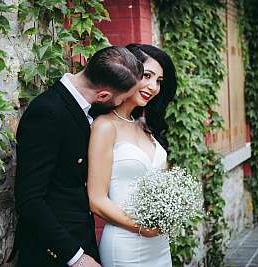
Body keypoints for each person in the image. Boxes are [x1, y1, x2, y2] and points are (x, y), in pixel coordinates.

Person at [14, 46, 144, 267]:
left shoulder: (84, 105)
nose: (121, 104)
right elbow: (29, 199)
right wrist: (76, 257)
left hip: (81, 239)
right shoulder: (47, 113)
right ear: (103, 95)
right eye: (122, 99)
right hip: (53, 254)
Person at [87, 44, 177, 267]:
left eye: (159, 81)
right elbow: (96, 200)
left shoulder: (147, 126)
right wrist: (141, 227)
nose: (153, 87)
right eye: (147, 76)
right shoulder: (105, 126)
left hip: (159, 245)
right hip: (126, 245)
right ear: (128, 71)